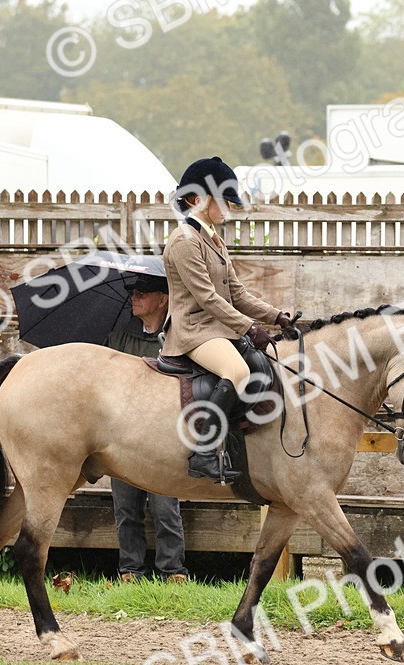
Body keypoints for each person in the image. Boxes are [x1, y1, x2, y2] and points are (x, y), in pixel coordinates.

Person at [161, 156, 294, 484]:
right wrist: (251, 328)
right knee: (237, 371)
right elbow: (208, 298)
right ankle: (202, 452)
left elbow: (237, 293)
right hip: (194, 331)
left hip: (217, 329)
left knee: (265, 362)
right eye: (224, 200)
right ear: (199, 200)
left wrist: (276, 316)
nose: (230, 207)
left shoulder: (212, 239)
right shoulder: (184, 241)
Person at [104, 269, 189, 583]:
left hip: (164, 436)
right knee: (125, 508)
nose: (133, 298)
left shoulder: (179, 337)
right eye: (132, 292)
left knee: (166, 507)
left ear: (162, 299)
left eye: (141, 292)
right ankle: (130, 571)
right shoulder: (116, 337)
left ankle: (173, 571)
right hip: (121, 435)